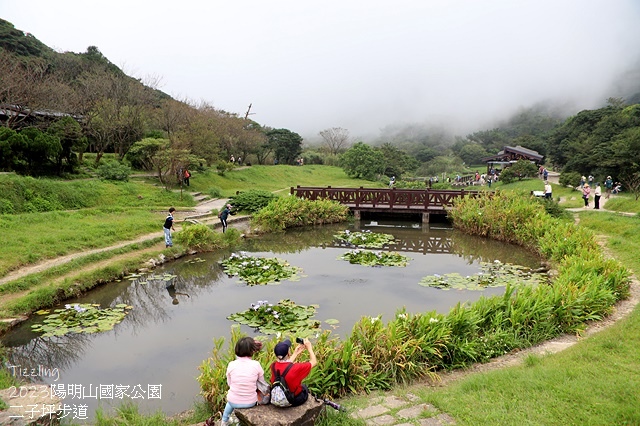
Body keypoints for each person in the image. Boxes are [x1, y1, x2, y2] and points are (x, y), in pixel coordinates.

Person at [220, 337, 270, 426]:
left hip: (233, 400)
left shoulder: (231, 364)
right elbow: (262, 383)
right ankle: (239, 423)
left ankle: (224, 420)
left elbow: (229, 383)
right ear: (252, 351)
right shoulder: (256, 364)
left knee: (230, 402)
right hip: (251, 402)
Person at [270, 338, 317, 407]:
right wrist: (309, 348)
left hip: (277, 397)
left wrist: (295, 353)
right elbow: (314, 362)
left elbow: (285, 367)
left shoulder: (273, 366)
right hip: (293, 399)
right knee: (304, 387)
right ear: (288, 353)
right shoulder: (296, 368)